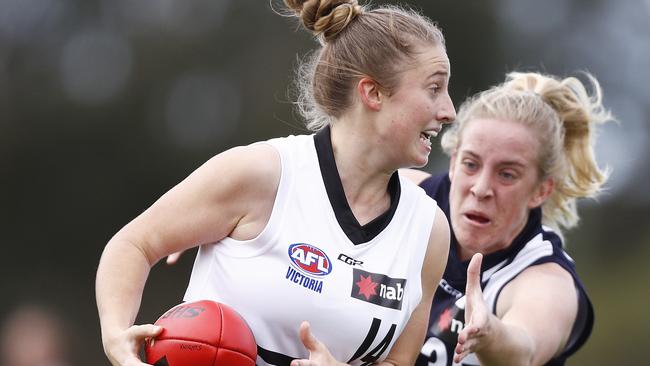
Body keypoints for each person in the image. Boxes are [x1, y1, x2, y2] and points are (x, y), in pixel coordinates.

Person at [96, 1, 456, 365]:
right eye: (434, 88)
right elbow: (135, 244)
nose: (449, 110)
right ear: (373, 93)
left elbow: (398, 361)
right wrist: (116, 338)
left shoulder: (428, 230)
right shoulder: (263, 174)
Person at [400, 71, 613, 366]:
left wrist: (491, 333)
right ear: (453, 162)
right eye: (471, 164)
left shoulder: (546, 279)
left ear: (541, 190)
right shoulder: (402, 199)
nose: (481, 188)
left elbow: (523, 351)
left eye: (507, 174)